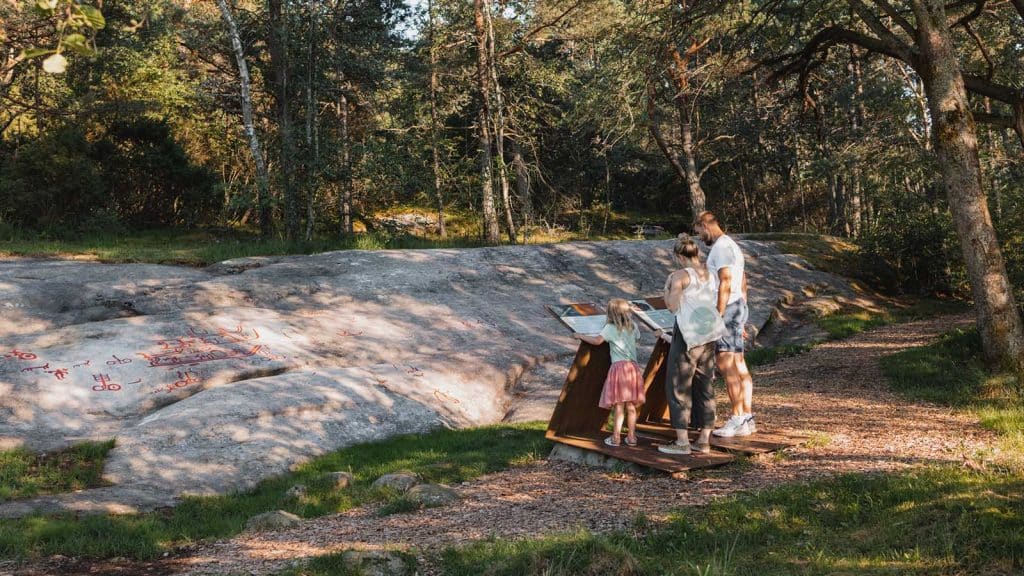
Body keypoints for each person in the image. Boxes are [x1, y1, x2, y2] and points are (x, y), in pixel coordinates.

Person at [657, 235, 726, 455]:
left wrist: (667, 288)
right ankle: (704, 440)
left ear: (679, 256)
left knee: (678, 384)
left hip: (688, 335)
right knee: (704, 384)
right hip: (708, 331)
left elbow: (672, 306)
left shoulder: (680, 275)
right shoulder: (710, 273)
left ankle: (682, 441)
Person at [694, 211, 756, 438]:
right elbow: (743, 280)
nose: (699, 236)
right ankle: (747, 417)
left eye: (698, 231)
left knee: (726, 364)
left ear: (705, 225)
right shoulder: (732, 245)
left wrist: (718, 316)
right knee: (739, 364)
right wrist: (742, 310)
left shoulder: (720, 248)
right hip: (737, 307)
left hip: (727, 310)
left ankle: (737, 418)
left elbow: (726, 282)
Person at [574, 298, 645, 447]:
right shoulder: (632, 326)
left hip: (619, 369)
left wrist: (580, 335)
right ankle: (631, 438)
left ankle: (616, 438)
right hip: (632, 368)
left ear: (610, 313)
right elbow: (638, 337)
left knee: (619, 405)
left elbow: (597, 341)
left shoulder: (609, 328)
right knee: (631, 406)